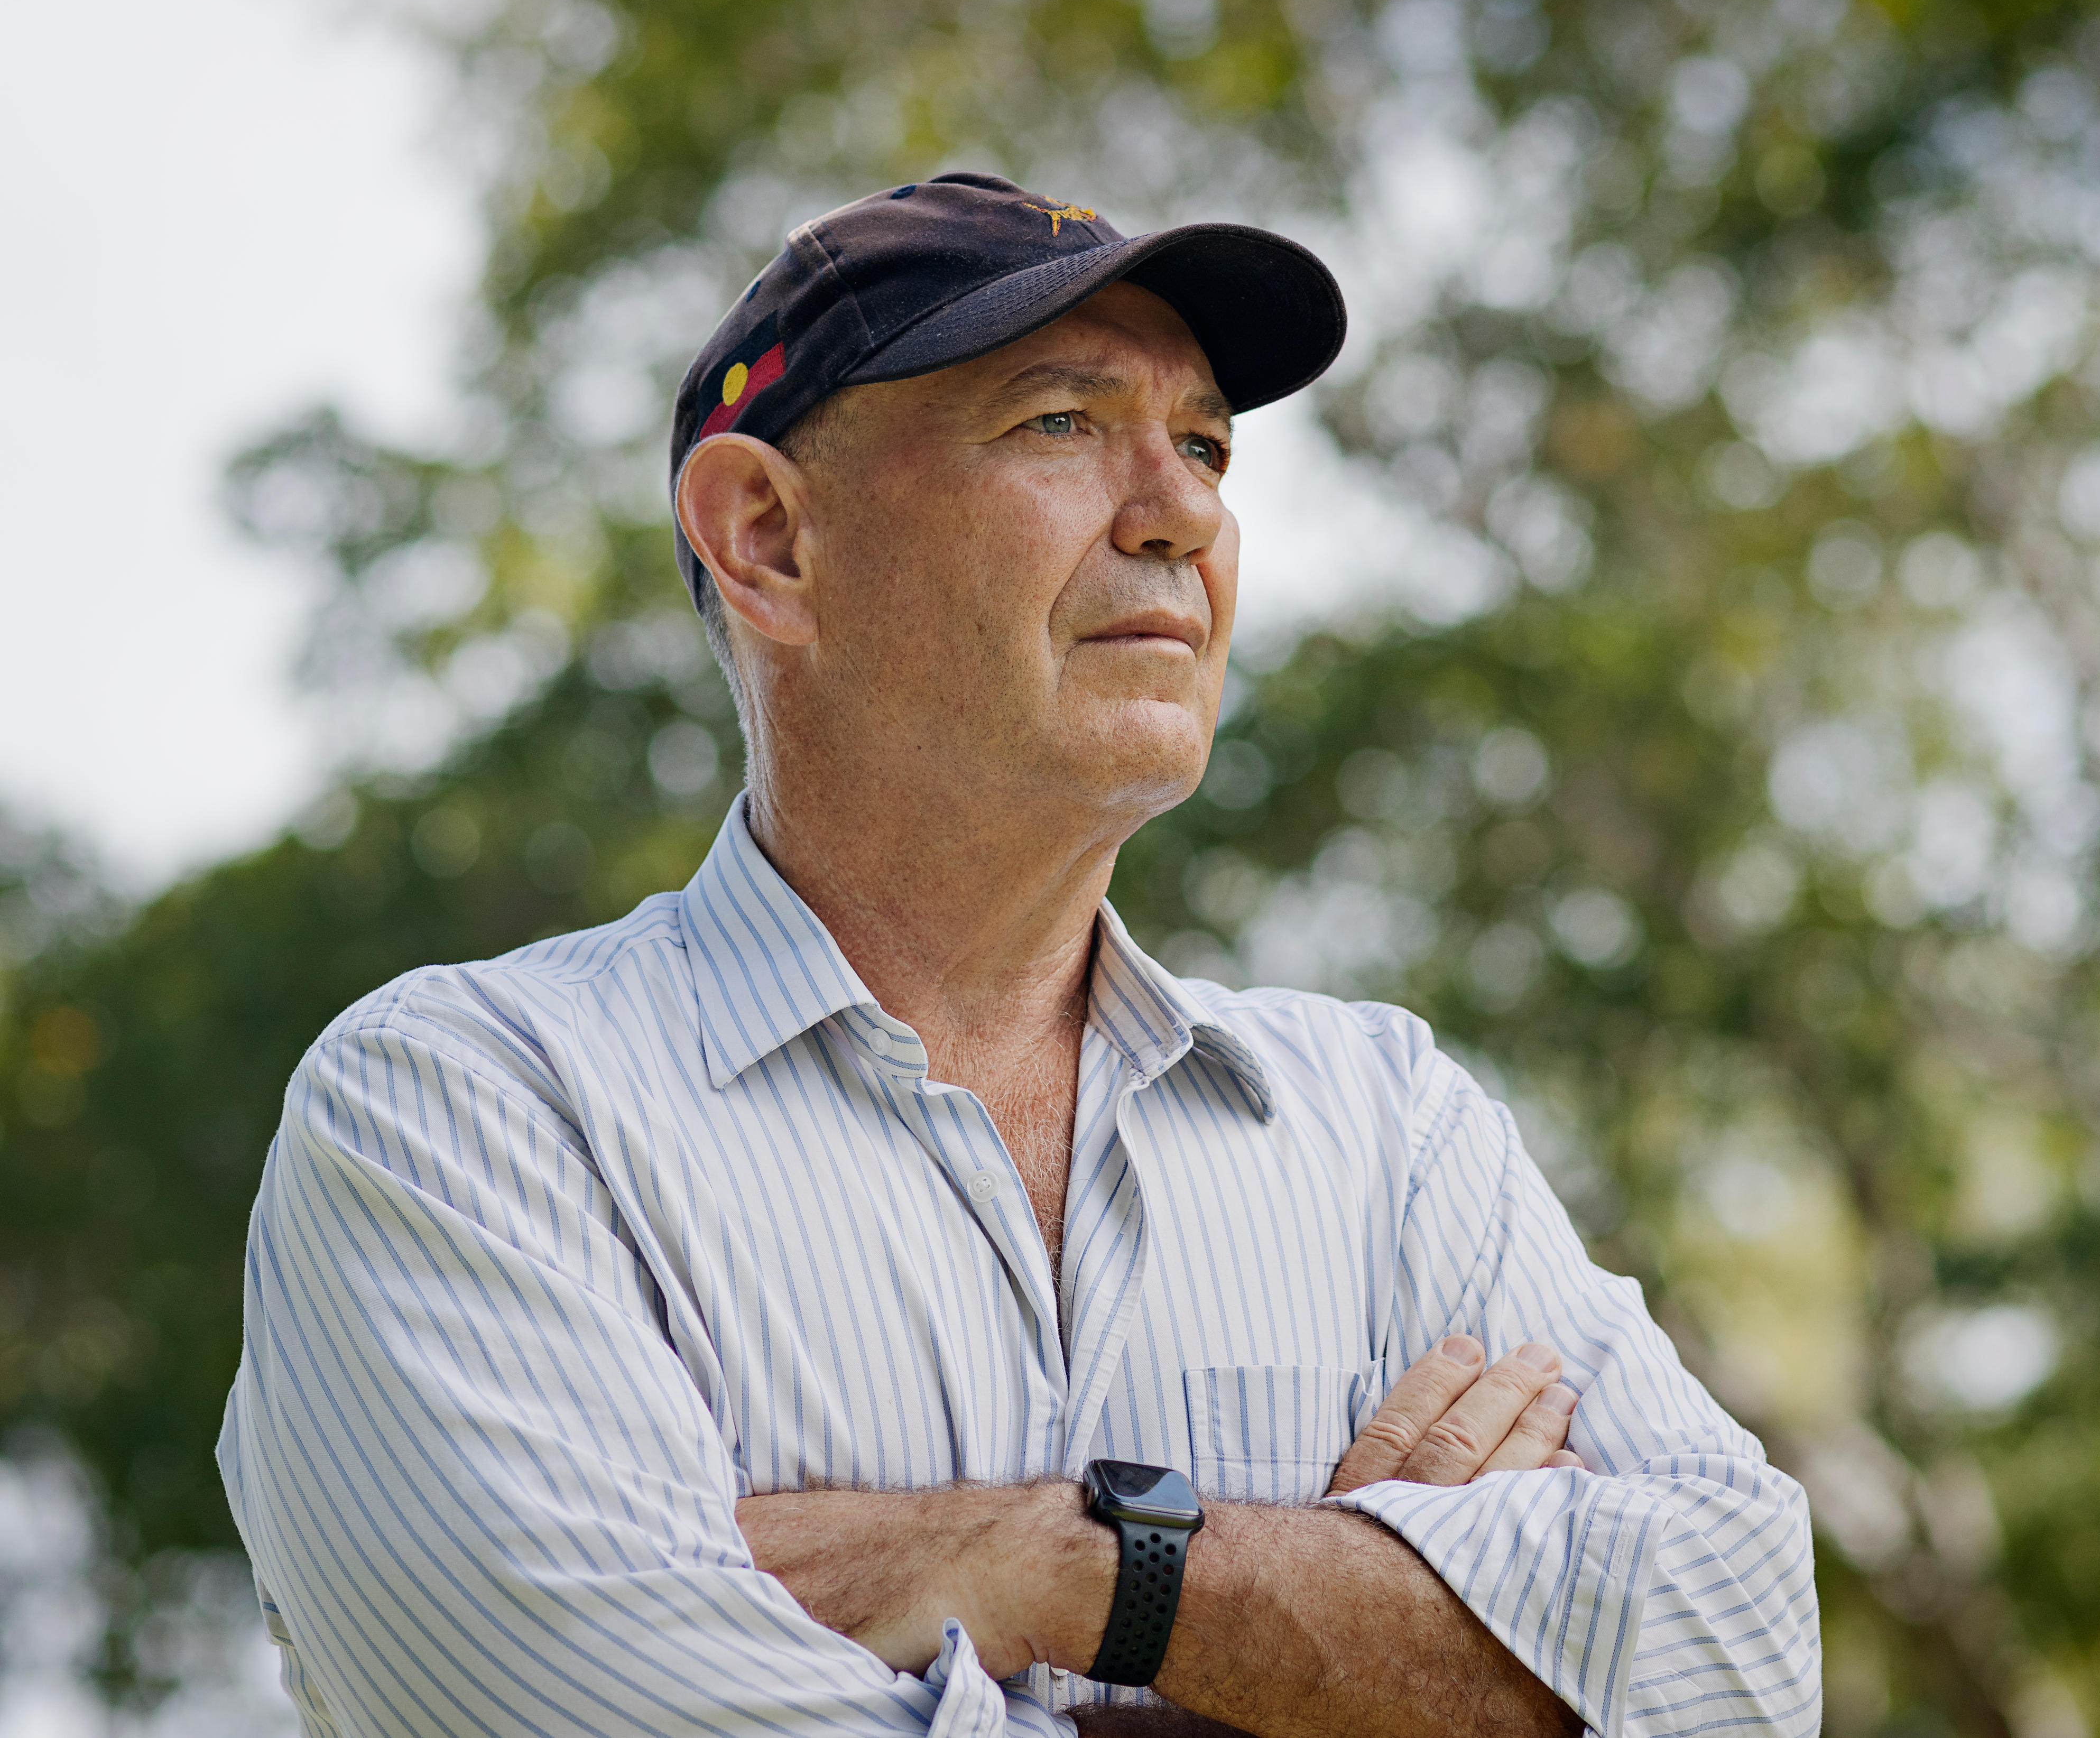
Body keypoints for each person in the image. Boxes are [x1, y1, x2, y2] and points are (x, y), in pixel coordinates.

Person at [218, 171, 1820, 1738]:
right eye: (1060, 423)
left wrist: (1062, 1566)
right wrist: (1363, 1659)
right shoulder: (465, 1113)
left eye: (1203, 443)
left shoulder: (1390, 1130)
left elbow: (1745, 1670)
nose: (1186, 509)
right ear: (768, 538)